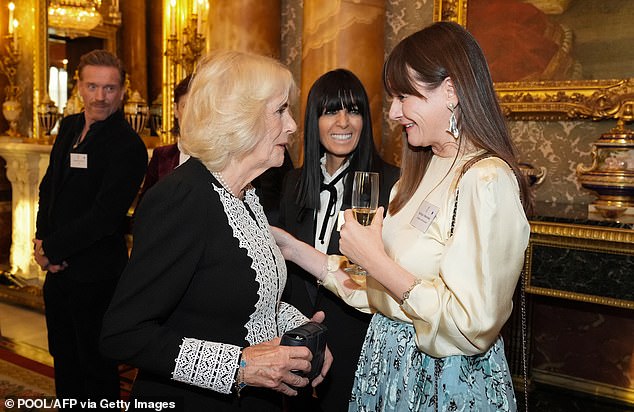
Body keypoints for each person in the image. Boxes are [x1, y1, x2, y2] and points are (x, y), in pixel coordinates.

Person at [272, 21, 532, 411]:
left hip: (444, 383)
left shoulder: (486, 180)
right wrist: (293, 249)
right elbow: (377, 292)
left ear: (451, 91)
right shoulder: (418, 174)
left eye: (403, 97)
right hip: (390, 372)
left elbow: (471, 325)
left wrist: (374, 259)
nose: (393, 113)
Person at [100, 50, 332, 411]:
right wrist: (240, 366)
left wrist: (301, 329)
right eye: (280, 111)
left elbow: (237, 298)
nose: (292, 126)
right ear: (241, 117)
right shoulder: (183, 197)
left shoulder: (245, 195)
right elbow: (123, 333)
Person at [33, 49, 148, 408]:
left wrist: (54, 250)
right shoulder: (68, 127)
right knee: (64, 359)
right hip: (59, 272)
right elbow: (49, 187)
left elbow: (104, 216)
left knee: (96, 368)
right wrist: (40, 240)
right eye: (93, 86)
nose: (101, 96)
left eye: (110, 88)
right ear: (79, 86)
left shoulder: (128, 146)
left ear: (123, 90)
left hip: (96, 276)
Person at [279, 68, 399, 411]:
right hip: (299, 342)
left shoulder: (391, 184)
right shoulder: (294, 183)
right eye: (331, 111)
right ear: (314, 119)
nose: (344, 122)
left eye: (354, 110)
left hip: (358, 340)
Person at [137, 74, 192, 201]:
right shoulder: (162, 156)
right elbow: (144, 207)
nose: (193, 114)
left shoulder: (220, 159)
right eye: (186, 106)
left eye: (200, 107)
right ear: (175, 109)